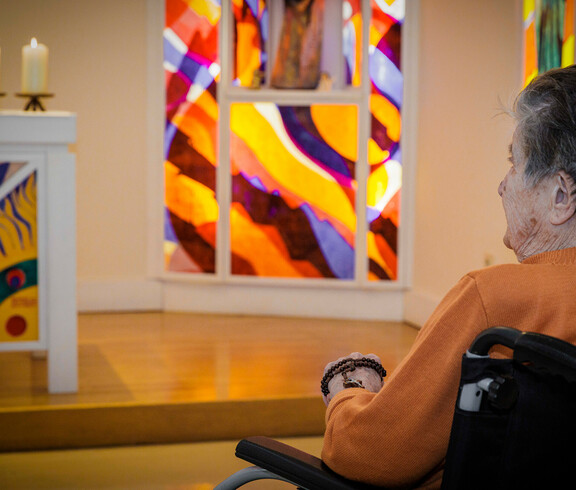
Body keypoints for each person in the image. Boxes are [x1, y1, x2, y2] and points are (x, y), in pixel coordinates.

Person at [320, 64, 576, 489]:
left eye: (515, 162)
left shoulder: (494, 301)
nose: (502, 185)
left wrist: (348, 390)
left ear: (561, 196)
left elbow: (371, 454)